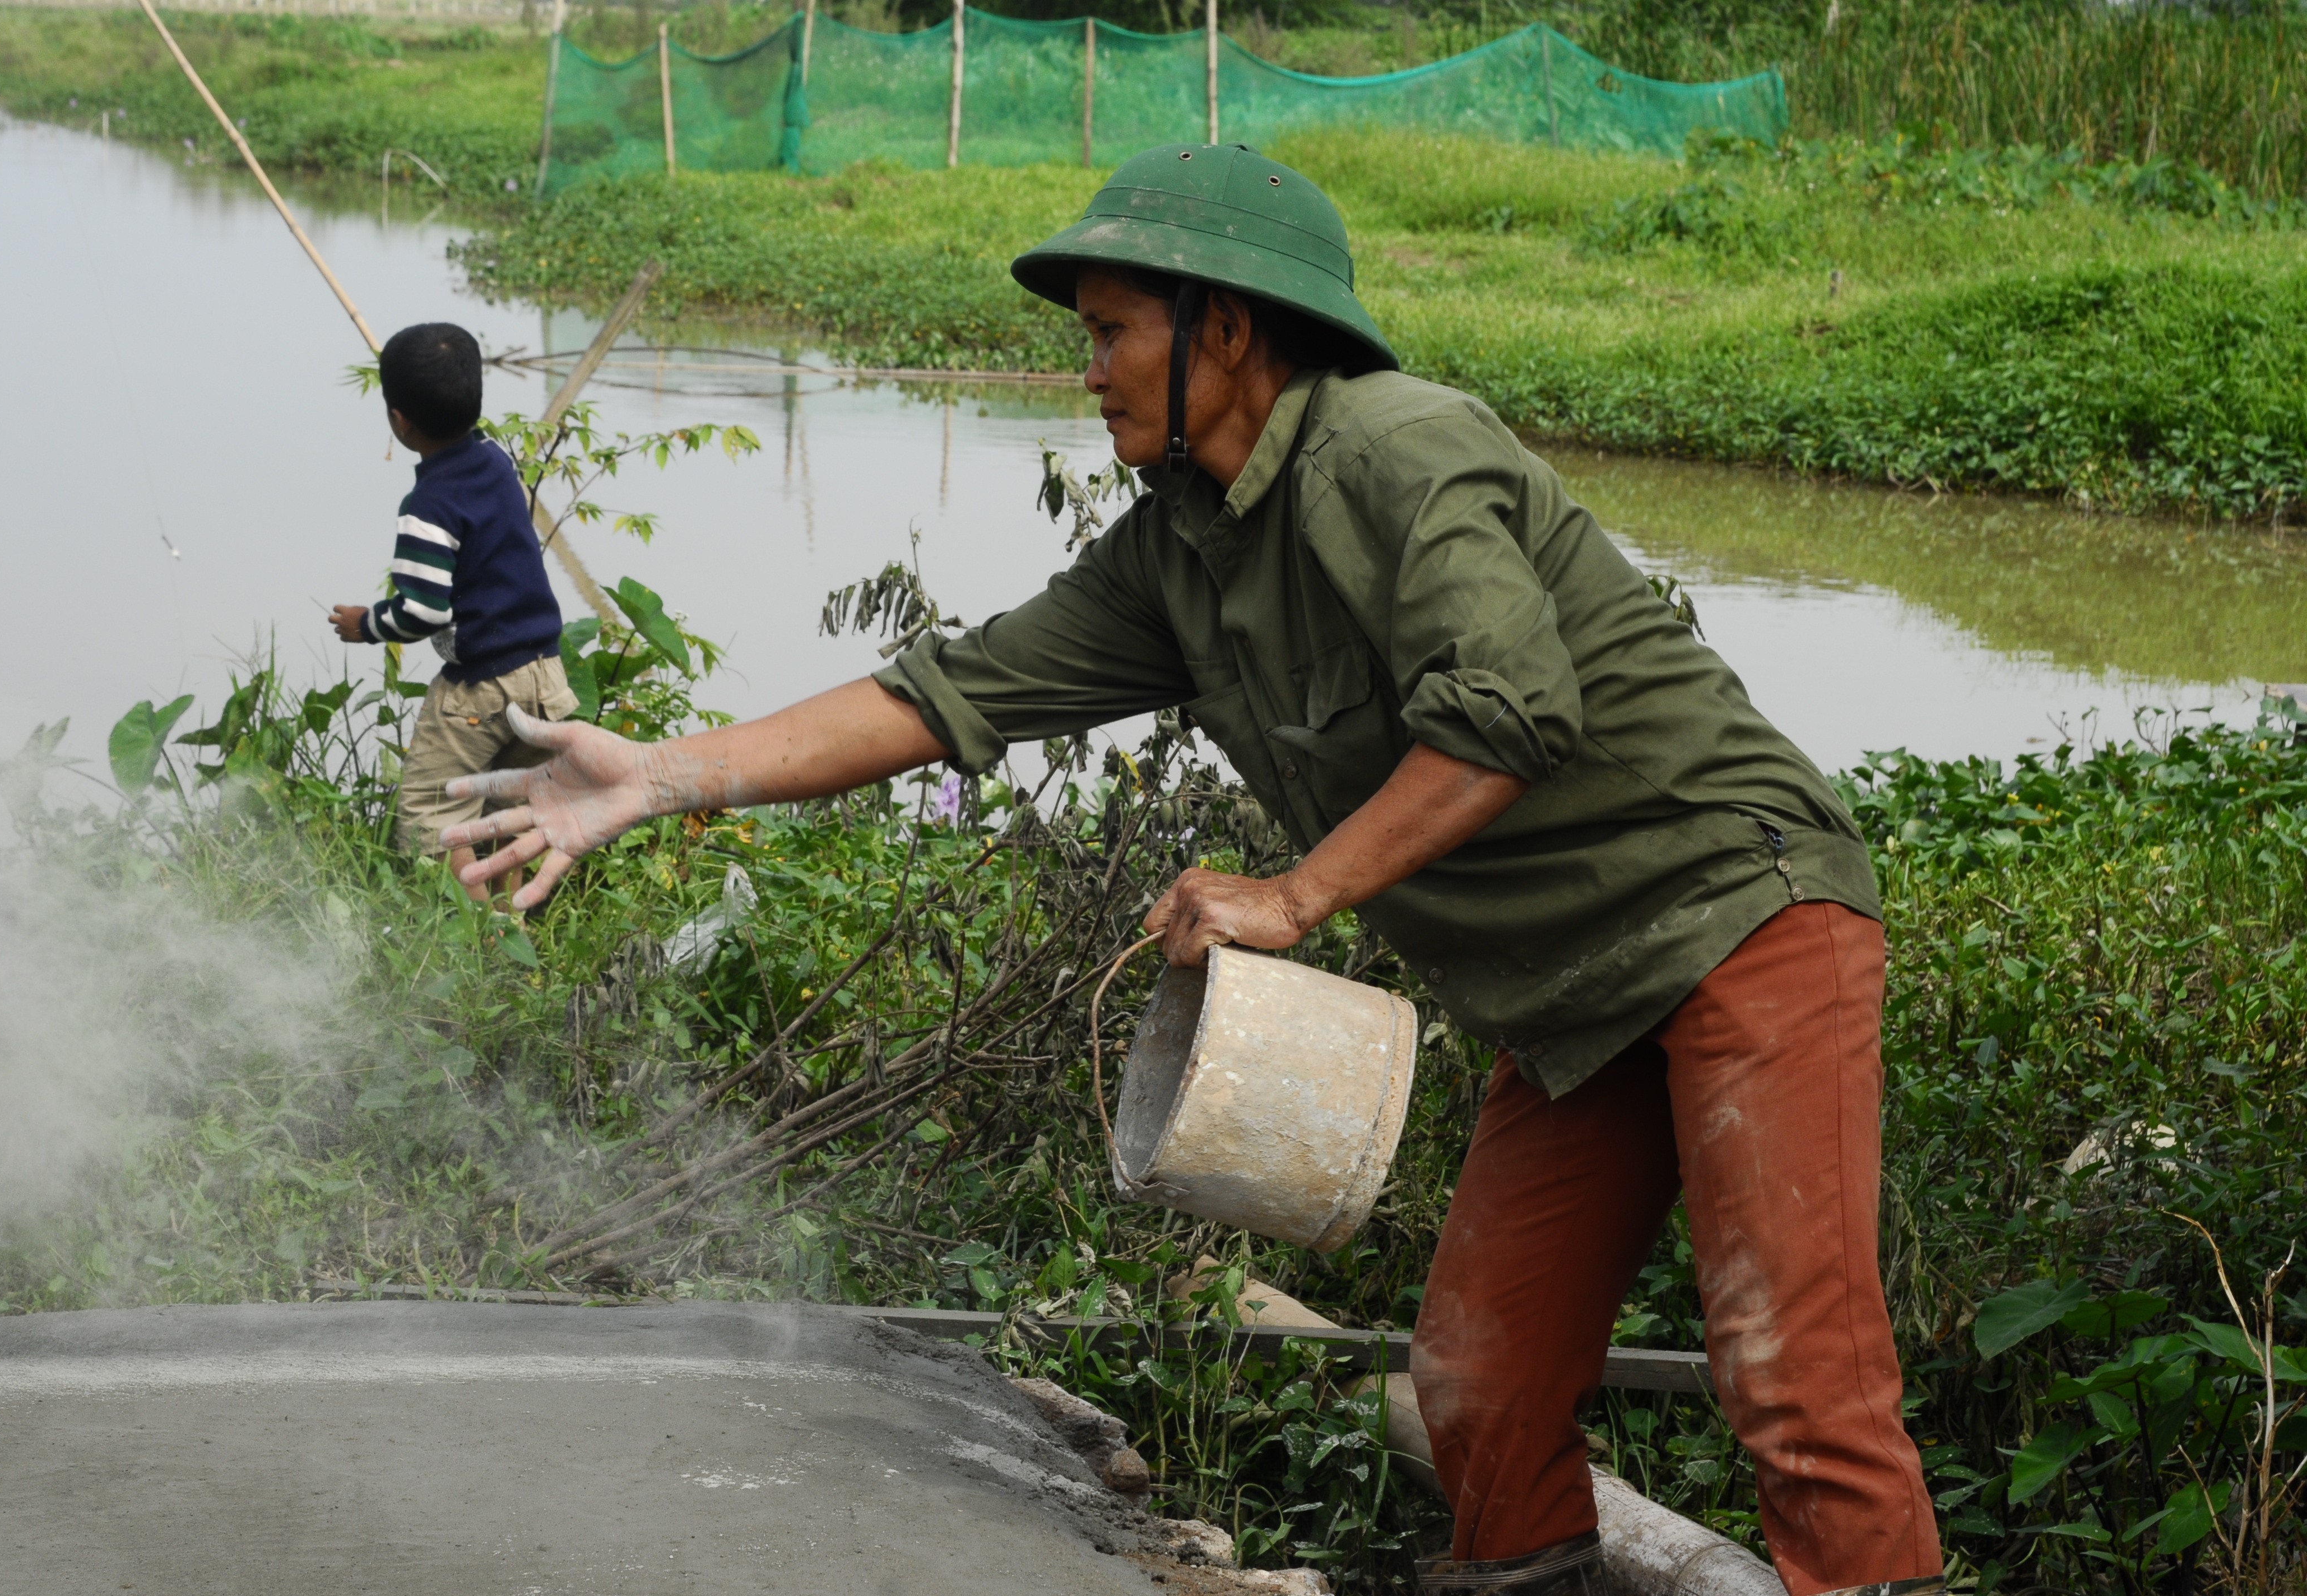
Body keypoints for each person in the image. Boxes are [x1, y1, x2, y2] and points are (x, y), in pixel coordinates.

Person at [437, 146, 1944, 1596]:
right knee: (1476, 1382)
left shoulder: (1395, 453)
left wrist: (1294, 898)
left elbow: (1513, 716)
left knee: (1794, 1379)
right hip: (1574, 996)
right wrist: (654, 777)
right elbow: (942, 696)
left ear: (1224, 328)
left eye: (1109, 333)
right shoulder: (1177, 548)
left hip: (1743, 910)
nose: (1083, 370)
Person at [327, 321, 578, 900]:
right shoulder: (495, 460)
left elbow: (423, 610)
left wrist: (366, 625)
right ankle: (512, 924)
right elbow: (456, 424)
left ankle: (481, 942)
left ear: (398, 421)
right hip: (545, 674)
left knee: (429, 812)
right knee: (512, 805)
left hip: (479, 690)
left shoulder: (428, 507)